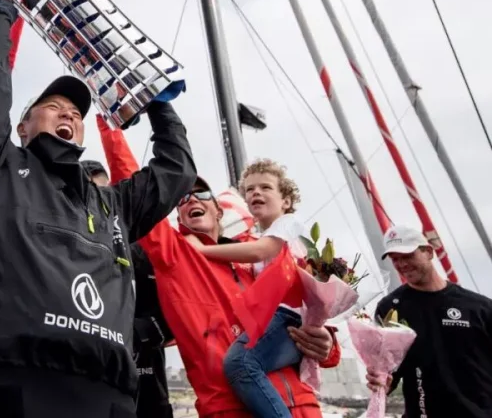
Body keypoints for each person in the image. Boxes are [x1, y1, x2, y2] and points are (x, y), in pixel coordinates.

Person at [0, 0, 197, 418]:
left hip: (107, 395)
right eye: (53, 107)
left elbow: (178, 171)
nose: (69, 115)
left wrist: (155, 101)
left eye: (75, 113)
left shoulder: (113, 204)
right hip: (7, 382)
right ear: (22, 126)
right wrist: (2, 9)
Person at [96, 118, 338, 418]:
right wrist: (109, 123)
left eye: (201, 194)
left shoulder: (261, 256)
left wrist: (328, 345)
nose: (190, 200)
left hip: (302, 406)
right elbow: (137, 188)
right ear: (178, 217)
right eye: (182, 198)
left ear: (218, 210)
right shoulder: (174, 254)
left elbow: (305, 311)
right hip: (229, 409)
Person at [188, 159, 305, 418]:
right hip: (281, 319)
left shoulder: (287, 224)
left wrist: (202, 251)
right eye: (250, 189)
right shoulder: (267, 235)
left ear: (286, 201)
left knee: (240, 363)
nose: (256, 193)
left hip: (287, 316)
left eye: (266, 187)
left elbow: (258, 251)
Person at [366, 225, 492, 417]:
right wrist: (382, 382)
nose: (402, 264)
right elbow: (389, 372)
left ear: (428, 252)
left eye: (407, 255)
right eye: (395, 259)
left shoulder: (480, 307)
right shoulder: (390, 308)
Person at [83, 157, 174, 418]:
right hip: (84, 389)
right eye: (87, 194)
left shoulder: (143, 252)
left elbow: (174, 313)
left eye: (102, 192)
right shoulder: (59, 250)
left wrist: (133, 332)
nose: (95, 201)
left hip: (146, 386)